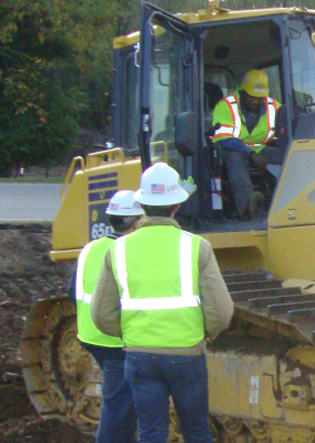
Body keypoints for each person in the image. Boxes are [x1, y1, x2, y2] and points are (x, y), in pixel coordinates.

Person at [90, 163, 234, 443]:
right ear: (178, 204)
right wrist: (205, 336)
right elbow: (221, 311)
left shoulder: (117, 249)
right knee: (196, 432)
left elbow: (101, 314)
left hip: (140, 356)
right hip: (186, 355)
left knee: (151, 433)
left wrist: (131, 335)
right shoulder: (196, 246)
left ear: (142, 204)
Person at [72, 190, 142, 443]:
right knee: (118, 408)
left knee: (121, 401)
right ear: (136, 222)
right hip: (115, 341)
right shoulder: (128, 251)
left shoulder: (91, 248)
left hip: (90, 335)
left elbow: (73, 291)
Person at [211, 69, 281, 218]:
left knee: (283, 157)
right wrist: (251, 155)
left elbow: (286, 127)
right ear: (243, 91)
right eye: (251, 96)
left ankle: (283, 202)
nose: (255, 101)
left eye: (260, 97)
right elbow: (223, 139)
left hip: (260, 148)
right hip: (233, 149)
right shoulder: (226, 106)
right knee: (234, 158)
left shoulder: (274, 107)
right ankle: (248, 207)